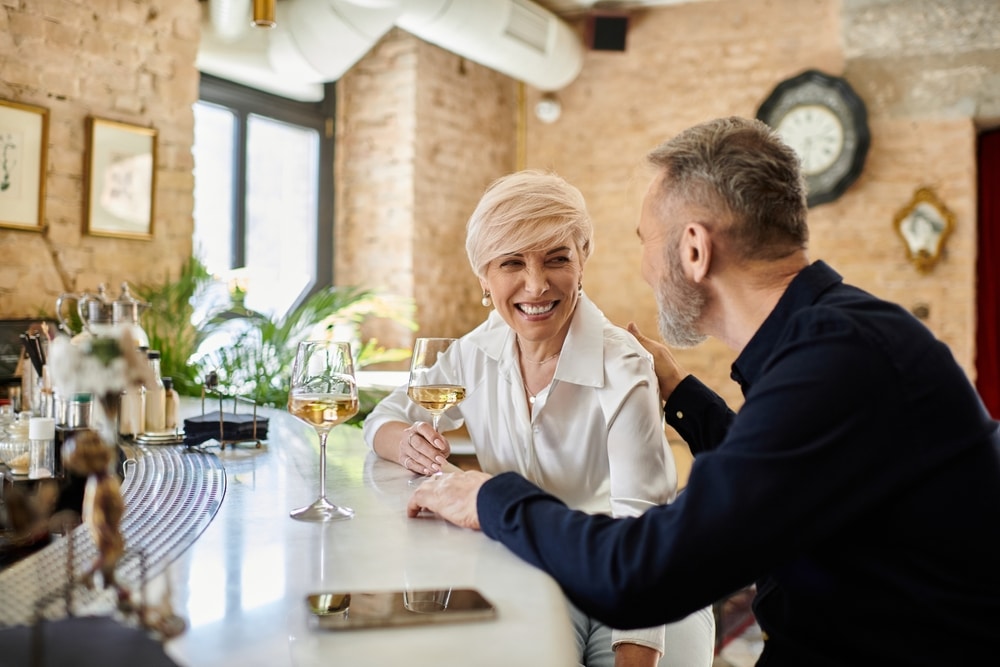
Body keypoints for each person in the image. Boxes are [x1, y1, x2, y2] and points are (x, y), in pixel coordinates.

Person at [407, 116, 1000, 665]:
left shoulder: (834, 361)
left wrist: (488, 498)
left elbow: (644, 574)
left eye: (645, 239)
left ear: (693, 248)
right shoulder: (834, 338)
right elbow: (775, 476)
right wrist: (682, 393)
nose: (642, 268)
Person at [364, 170, 716, 667]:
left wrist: (636, 656)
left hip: (644, 585)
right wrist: (405, 443)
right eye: (512, 262)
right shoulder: (472, 352)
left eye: (557, 259)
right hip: (531, 571)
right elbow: (384, 417)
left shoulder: (624, 364)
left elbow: (644, 530)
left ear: (582, 262)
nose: (536, 284)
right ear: (484, 277)